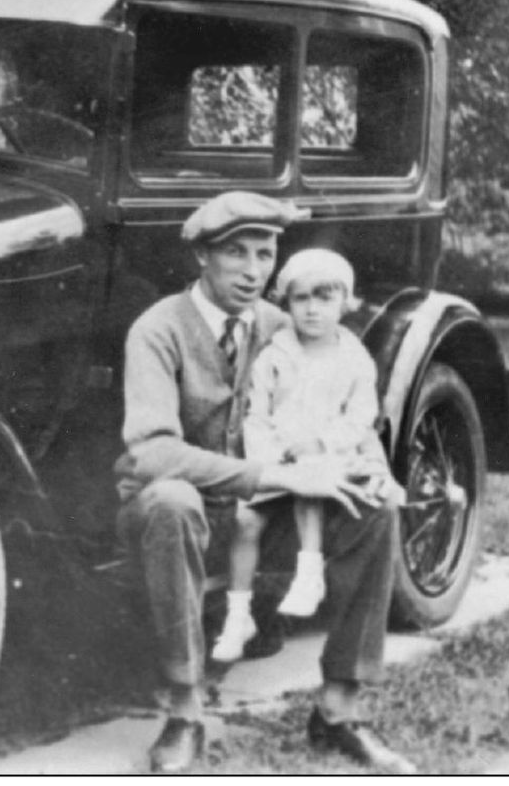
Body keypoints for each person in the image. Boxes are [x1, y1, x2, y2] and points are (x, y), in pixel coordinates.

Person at [116, 191, 415, 774]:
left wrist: (371, 471)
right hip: (175, 520)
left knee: (372, 507)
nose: (254, 271)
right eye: (237, 253)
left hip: (264, 517)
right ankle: (185, 711)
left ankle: (337, 710)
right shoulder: (157, 331)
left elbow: (340, 407)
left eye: (266, 253)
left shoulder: (287, 326)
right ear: (202, 255)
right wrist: (273, 474)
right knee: (172, 501)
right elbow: (151, 453)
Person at [211, 248, 396, 663]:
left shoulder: (353, 359)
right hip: (278, 459)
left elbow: (361, 416)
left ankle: (309, 572)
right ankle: (238, 615)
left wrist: (323, 444)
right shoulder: (275, 355)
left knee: (312, 481)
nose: (312, 310)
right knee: (245, 520)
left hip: (327, 457)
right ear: (287, 303)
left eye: (324, 298)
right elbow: (256, 416)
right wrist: (273, 460)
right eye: (301, 299)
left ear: (345, 303)